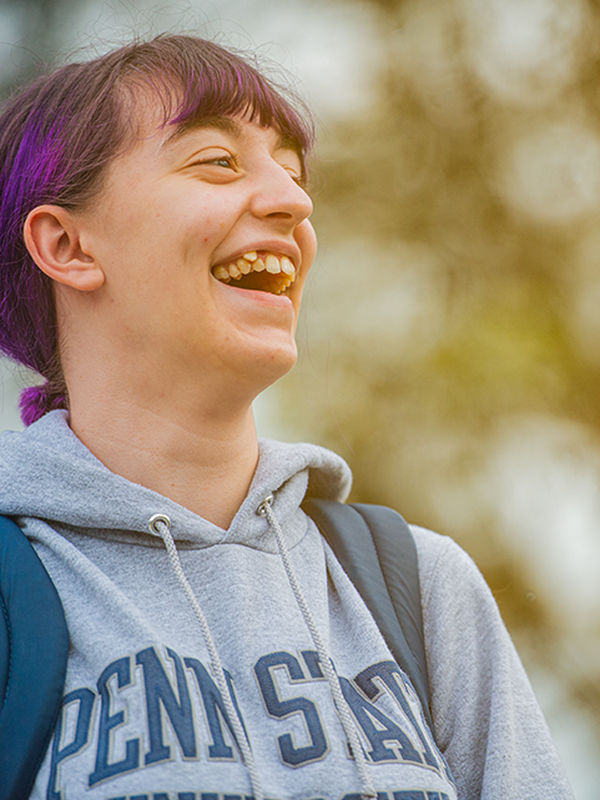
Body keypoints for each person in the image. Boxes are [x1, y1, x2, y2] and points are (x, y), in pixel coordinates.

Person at [0, 34, 573, 800]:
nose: (295, 202)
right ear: (67, 245)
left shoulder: (422, 591)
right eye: (218, 162)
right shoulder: (15, 596)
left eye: (294, 174)